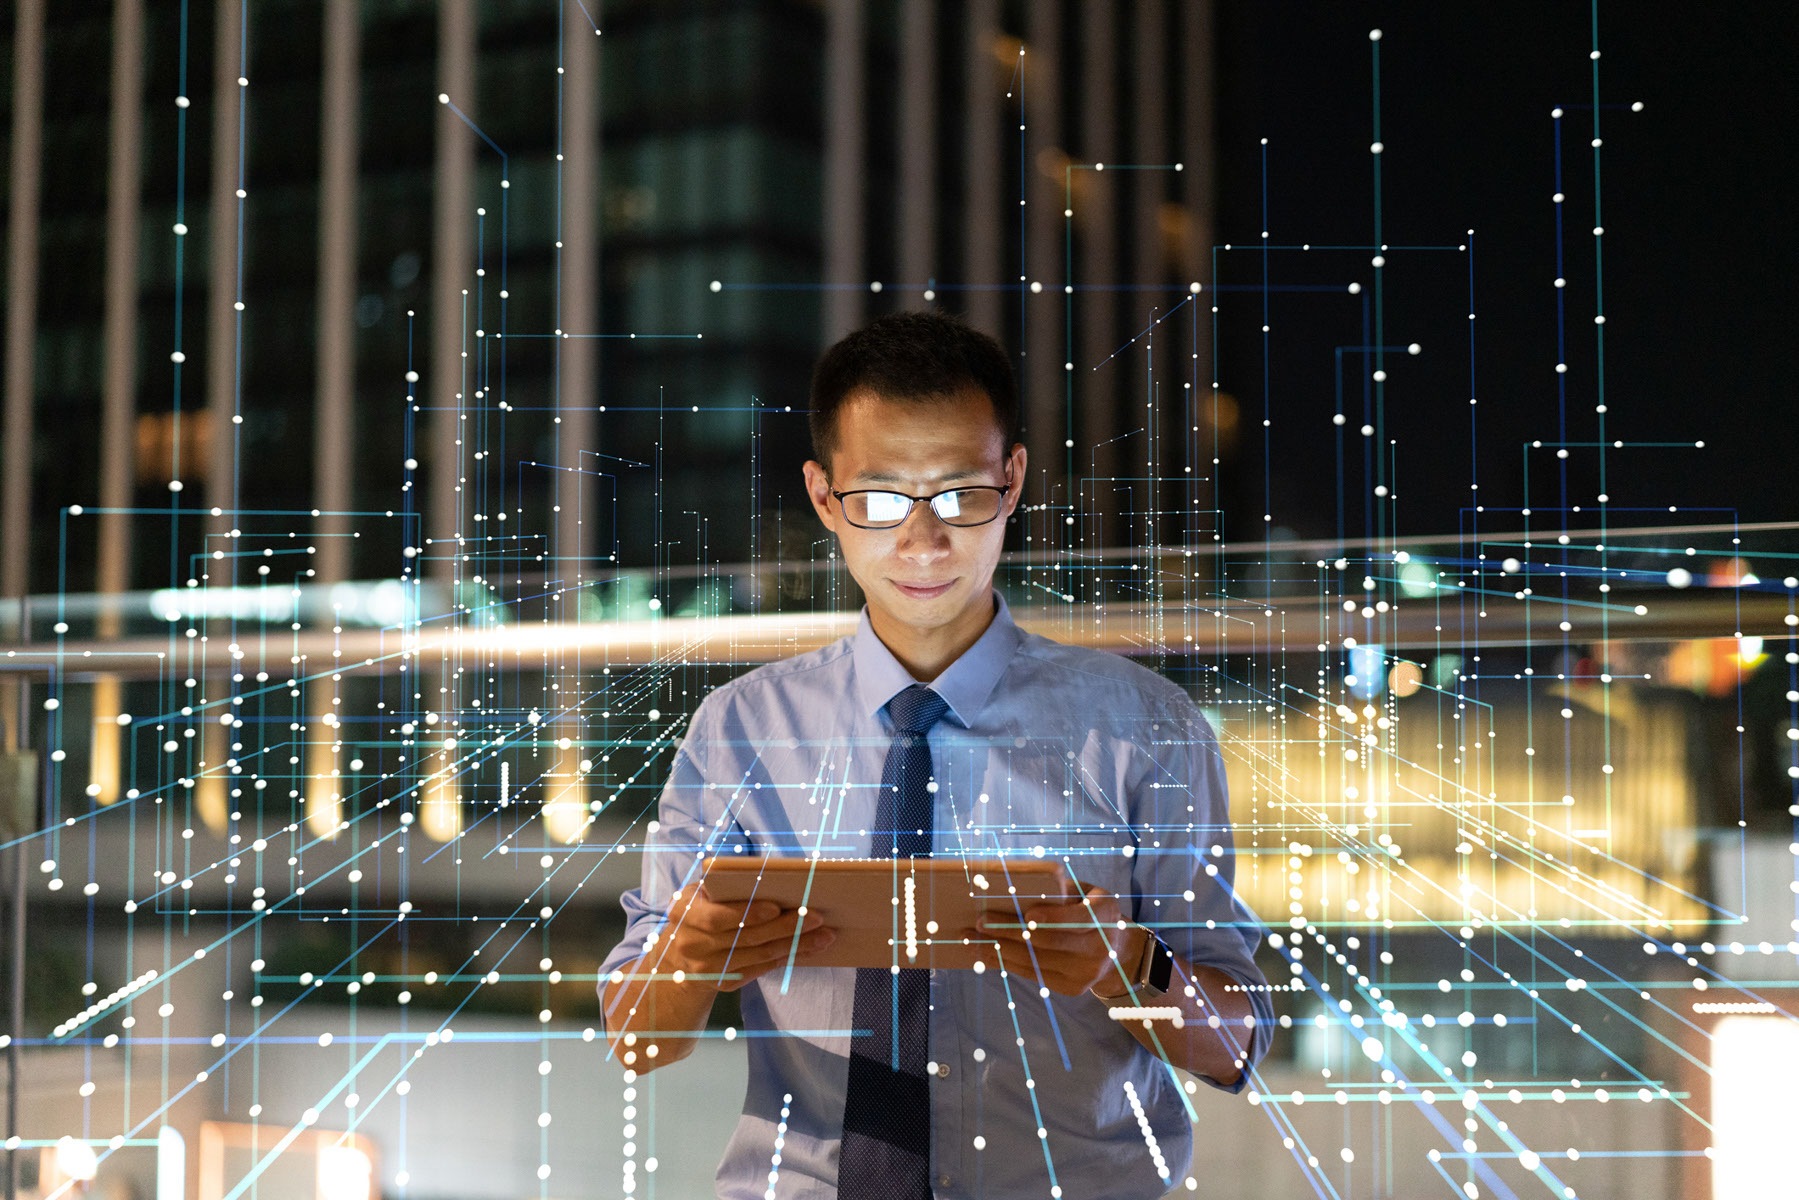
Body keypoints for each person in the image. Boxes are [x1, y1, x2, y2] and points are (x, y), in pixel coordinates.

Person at [598, 311, 1271, 1199]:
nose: (923, 541)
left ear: (1012, 479)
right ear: (823, 497)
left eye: (960, 496)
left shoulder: (1146, 727)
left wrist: (1127, 965)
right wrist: (686, 963)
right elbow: (638, 1041)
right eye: (880, 501)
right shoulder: (740, 730)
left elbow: (1234, 1049)